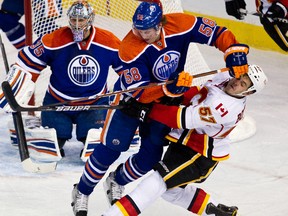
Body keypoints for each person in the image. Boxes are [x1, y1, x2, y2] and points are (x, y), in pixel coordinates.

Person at [71, 1, 250, 215]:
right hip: (131, 101)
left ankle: (115, 180)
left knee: (150, 157)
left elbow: (217, 32)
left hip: (164, 102)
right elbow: (141, 92)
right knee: (112, 148)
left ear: (159, 25)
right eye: (137, 29)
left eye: (146, 30)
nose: (140, 34)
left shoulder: (181, 24)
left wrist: (233, 50)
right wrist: (170, 88)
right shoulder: (129, 47)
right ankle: (82, 191)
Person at [102, 64, 268, 216]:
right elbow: (197, 93)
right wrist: (173, 96)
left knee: (158, 181)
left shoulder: (224, 109)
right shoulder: (225, 77)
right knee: (171, 191)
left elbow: (182, 119)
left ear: (248, 92)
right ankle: (214, 210)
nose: (237, 82)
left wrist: (147, 109)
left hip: (200, 155)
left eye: (243, 84)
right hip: (186, 142)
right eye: (240, 76)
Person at [0, 1, 122, 157]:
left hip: (94, 103)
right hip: (57, 103)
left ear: (90, 20)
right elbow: (28, 63)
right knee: (52, 145)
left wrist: (130, 97)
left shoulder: (109, 41)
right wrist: (14, 90)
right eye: (74, 20)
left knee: (94, 147)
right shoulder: (54, 39)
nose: (77, 24)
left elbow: (128, 69)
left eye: (81, 20)